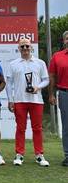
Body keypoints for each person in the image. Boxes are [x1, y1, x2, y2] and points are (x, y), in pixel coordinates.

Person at [6, 38, 50, 167]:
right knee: (20, 128)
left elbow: (46, 80)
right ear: (18, 48)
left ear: (31, 48)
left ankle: (39, 155)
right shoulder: (13, 64)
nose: (25, 49)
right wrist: (10, 100)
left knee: (37, 128)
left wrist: (37, 87)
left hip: (36, 100)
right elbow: (9, 84)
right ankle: (19, 155)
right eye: (22, 46)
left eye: (27, 46)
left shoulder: (40, 63)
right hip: (20, 100)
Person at [49, 30, 68, 166]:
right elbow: (52, 77)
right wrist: (50, 94)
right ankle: (67, 155)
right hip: (63, 93)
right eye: (67, 38)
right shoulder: (57, 56)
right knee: (66, 126)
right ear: (64, 41)